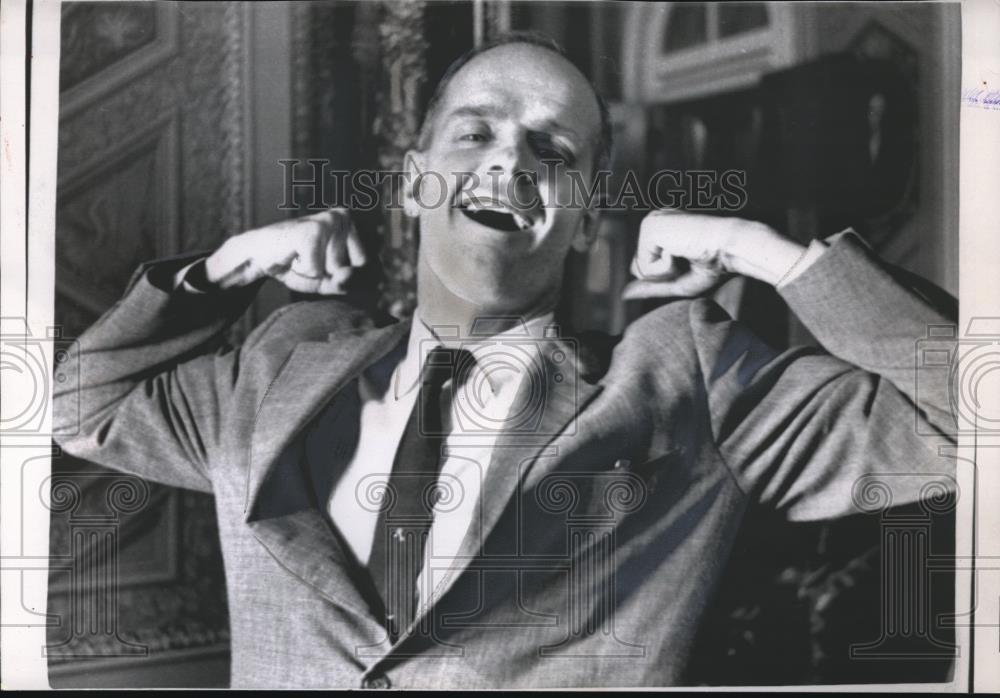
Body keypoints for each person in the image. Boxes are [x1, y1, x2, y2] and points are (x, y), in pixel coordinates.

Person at [53, 34, 957, 688]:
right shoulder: (277, 368)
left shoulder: (688, 379)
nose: (509, 162)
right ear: (415, 181)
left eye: (551, 150)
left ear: (585, 214)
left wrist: (772, 255)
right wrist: (223, 270)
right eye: (475, 133)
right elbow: (79, 406)